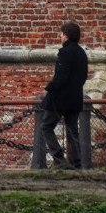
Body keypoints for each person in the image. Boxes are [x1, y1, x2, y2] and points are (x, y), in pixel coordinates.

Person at [41, 22, 89, 169]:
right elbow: (83, 76)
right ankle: (77, 163)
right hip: (75, 97)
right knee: (72, 129)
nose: (60, 36)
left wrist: (49, 88)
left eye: (61, 33)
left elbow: (61, 77)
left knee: (46, 126)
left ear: (66, 35)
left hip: (60, 98)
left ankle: (59, 160)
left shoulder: (65, 52)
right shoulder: (81, 53)